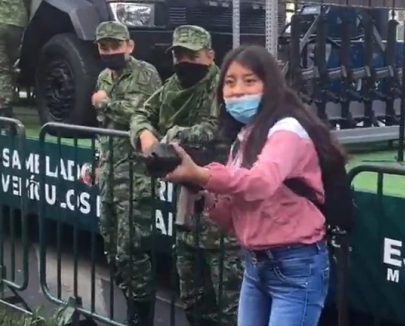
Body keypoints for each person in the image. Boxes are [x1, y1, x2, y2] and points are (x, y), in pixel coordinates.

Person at [164, 45, 341, 326]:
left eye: (249, 81)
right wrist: (204, 196)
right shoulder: (244, 138)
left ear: (269, 85)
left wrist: (202, 174)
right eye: (230, 82)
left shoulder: (287, 131)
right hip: (255, 265)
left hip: (295, 265)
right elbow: (237, 213)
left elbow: (260, 183)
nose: (237, 91)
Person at [129, 25, 242, 326]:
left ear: (210, 55)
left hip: (221, 205)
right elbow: (142, 112)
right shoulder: (171, 87)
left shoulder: (223, 87)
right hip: (187, 204)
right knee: (191, 294)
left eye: (192, 55)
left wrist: (173, 136)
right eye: (178, 54)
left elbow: (213, 130)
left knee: (229, 300)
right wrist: (144, 135)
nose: (184, 62)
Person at [91, 21, 162, 326]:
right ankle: (130, 303)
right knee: (111, 248)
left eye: (115, 46)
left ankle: (141, 315)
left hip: (136, 178)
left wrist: (106, 103)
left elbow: (140, 114)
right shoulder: (103, 76)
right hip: (109, 174)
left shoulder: (145, 73)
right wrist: (98, 161)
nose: (110, 52)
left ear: (129, 45)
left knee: (132, 250)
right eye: (104, 47)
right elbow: (104, 126)